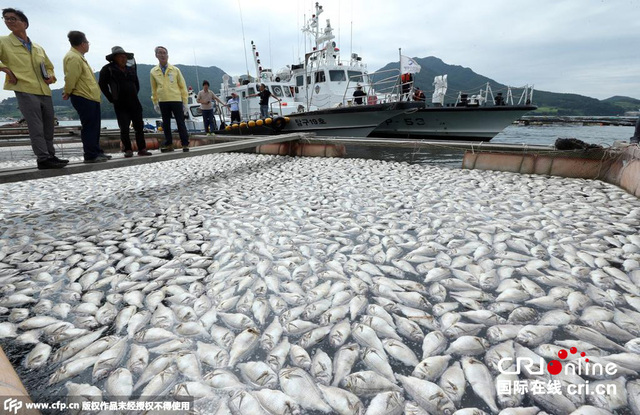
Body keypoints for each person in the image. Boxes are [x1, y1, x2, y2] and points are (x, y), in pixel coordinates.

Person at [0, 8, 68, 169]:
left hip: (44, 90)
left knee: (48, 126)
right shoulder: (3, 41)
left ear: (24, 23)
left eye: (13, 18)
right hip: (24, 88)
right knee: (35, 126)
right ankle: (43, 159)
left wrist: (51, 77)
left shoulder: (37, 47)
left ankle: (51, 155)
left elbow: (50, 67)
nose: (8, 21)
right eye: (5, 18)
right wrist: (6, 70)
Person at [63, 30, 109, 163]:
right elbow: (71, 77)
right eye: (87, 42)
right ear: (83, 43)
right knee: (89, 126)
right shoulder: (73, 57)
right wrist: (67, 91)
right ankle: (90, 154)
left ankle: (96, 151)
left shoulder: (78, 56)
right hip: (83, 96)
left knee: (94, 126)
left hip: (90, 96)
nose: (88, 45)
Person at [99, 46, 151, 157]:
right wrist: (111, 98)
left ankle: (142, 149)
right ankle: (128, 149)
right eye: (121, 56)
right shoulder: (107, 69)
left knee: (139, 127)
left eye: (125, 56)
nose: (124, 58)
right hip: (120, 103)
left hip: (134, 102)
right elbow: (102, 85)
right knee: (124, 127)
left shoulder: (131, 68)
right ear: (114, 58)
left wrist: (133, 93)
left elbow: (136, 83)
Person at [150, 46, 189, 152]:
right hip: (163, 101)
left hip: (176, 99)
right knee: (166, 124)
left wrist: (185, 102)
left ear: (167, 55)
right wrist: (155, 102)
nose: (162, 55)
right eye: (160, 53)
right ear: (156, 55)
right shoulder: (153, 71)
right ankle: (169, 144)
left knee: (180, 122)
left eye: (164, 53)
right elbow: (154, 88)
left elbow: (182, 86)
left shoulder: (175, 70)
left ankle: (185, 143)